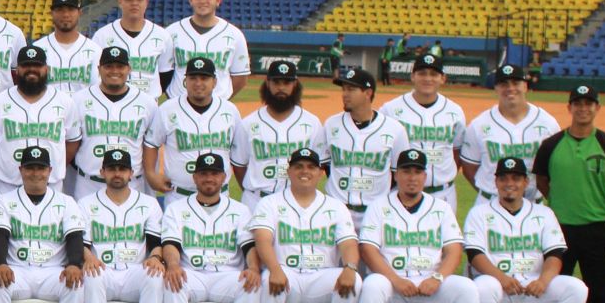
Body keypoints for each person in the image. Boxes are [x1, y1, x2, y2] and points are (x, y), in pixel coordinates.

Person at [344, 149, 483, 303]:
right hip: (393, 284)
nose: (412, 177)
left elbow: (454, 249)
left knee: (467, 289)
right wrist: (395, 280)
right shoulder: (379, 206)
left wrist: (438, 278)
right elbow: (368, 249)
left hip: (432, 285)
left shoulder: (440, 208)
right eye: (406, 171)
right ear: (396, 175)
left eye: (418, 171)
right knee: (371, 285)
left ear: (425, 176)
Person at [464, 156, 589, 303]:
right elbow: (475, 255)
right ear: (496, 182)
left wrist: (543, 280)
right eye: (503, 178)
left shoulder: (543, 214)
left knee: (577, 289)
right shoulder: (480, 213)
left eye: (516, 178)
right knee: (481, 288)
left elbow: (555, 254)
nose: (509, 183)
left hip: (534, 288)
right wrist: (502, 278)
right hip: (498, 289)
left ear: (525, 183)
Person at [140, 152, 263, 303]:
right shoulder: (177, 209)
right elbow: (170, 244)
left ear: (224, 177)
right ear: (195, 177)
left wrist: (253, 268)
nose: (209, 178)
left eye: (214, 174)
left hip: (228, 276)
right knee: (172, 282)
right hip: (191, 274)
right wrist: (174, 266)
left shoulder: (240, 210)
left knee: (252, 284)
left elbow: (249, 248)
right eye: (204, 174)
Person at [533, 85, 605, 303]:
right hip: (559, 231)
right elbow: (542, 181)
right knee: (549, 292)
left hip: (596, 229)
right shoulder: (552, 144)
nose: (583, 108)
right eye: (578, 103)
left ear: (597, 108)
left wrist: (594, 204)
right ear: (569, 107)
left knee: (599, 295)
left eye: (589, 103)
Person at [248, 148, 359, 303]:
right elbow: (262, 239)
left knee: (354, 282)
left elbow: (348, 243)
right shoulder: (270, 203)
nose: (304, 171)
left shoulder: (335, 206)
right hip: (286, 272)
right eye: (298, 166)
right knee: (269, 280)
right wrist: (275, 269)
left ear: (320, 173)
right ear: (288, 172)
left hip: (322, 276)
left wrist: (349, 268)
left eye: (311, 167)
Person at [0, 146, 87, 303]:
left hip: (53, 271)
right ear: (21, 170)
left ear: (49, 170)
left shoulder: (66, 202)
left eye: (40, 168)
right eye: (30, 168)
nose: (35, 173)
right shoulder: (4, 201)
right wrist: (1, 263)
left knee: (76, 284)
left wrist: (73, 264)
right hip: (17, 270)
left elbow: (74, 237)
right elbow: (1, 235)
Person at [74, 147, 164, 303]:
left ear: (131, 173)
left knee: (155, 277)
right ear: (102, 172)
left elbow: (156, 242)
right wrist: (87, 257)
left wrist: (154, 258)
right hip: (103, 268)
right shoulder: (86, 204)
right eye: (112, 169)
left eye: (122, 169)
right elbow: (81, 242)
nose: (117, 173)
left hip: (136, 270)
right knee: (92, 277)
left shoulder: (148, 204)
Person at [143, 56, 250, 204]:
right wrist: (150, 173)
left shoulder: (230, 110)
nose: (198, 83)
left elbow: (239, 152)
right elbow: (151, 144)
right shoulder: (167, 109)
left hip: (220, 196)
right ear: (185, 81)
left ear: (214, 82)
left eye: (204, 78)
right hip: (178, 196)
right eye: (193, 78)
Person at [0, 45, 80, 202]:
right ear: (17, 69)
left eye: (37, 65)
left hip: (51, 184)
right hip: (8, 184)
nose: (31, 70)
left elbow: (73, 142)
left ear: (46, 69)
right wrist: (4, 166)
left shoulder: (64, 102)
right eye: (26, 65)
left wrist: (55, 164)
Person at [459, 62, 558, 202]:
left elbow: (554, 168)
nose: (510, 88)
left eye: (515, 83)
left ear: (525, 86)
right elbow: (469, 167)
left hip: (533, 204)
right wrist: (490, 192)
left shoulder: (548, 123)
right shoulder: (479, 125)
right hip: (490, 203)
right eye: (504, 84)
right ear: (496, 88)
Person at [70, 46, 159, 201]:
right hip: (89, 183)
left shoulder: (147, 102)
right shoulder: (79, 100)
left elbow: (152, 145)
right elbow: (71, 141)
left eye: (120, 66)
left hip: (131, 184)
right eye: (109, 66)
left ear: (129, 69)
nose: (114, 71)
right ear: (99, 69)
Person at [379, 53, 465, 211]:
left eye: (434, 74)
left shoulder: (455, 111)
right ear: (413, 76)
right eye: (422, 73)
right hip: (401, 193)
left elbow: (456, 153)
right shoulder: (390, 109)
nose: (428, 78)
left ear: (443, 78)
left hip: (443, 193)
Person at [323, 67, 409, 223]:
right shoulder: (331, 125)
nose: (345, 94)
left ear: (368, 93)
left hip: (375, 214)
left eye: (351, 89)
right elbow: (324, 165)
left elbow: (399, 173)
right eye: (344, 89)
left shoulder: (394, 129)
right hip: (337, 212)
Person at [239, 60, 327, 200]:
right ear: (268, 83)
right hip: (255, 200)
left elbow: (319, 165)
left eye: (286, 83)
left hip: (296, 201)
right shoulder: (248, 123)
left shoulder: (312, 123)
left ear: (295, 84)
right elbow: (239, 165)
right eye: (276, 82)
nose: (281, 87)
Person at [163, 0, 250, 100]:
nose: (203, 0)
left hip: (218, 108)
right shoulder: (171, 32)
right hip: (178, 106)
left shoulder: (234, 34)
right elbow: (162, 72)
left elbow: (241, 78)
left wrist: (221, 101)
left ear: (218, 0)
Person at [91, 0, 172, 101]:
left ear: (147, 2)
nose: (134, 3)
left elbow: (165, 73)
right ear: (120, 2)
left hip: (150, 104)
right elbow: (96, 74)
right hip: (114, 102)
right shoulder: (102, 35)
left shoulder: (162, 35)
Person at [29, 0, 97, 97]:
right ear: (51, 13)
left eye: (70, 9)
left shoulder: (95, 50)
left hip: (83, 111)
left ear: (79, 12)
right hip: (47, 111)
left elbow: (98, 89)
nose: (65, 14)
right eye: (60, 10)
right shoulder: (38, 48)